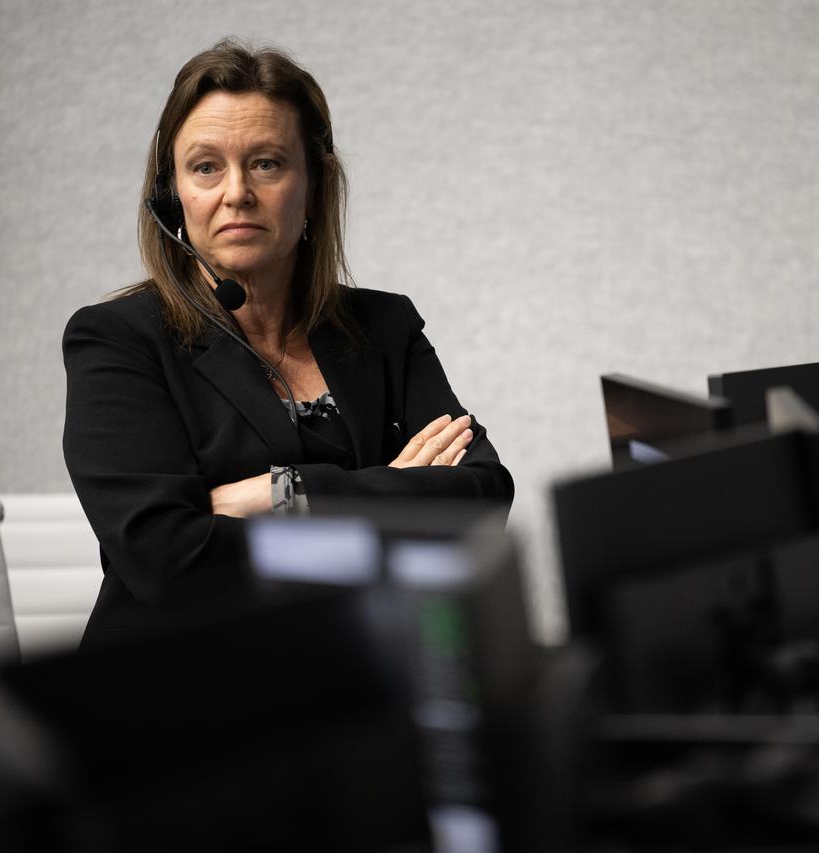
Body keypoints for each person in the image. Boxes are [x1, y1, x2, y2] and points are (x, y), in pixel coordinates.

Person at [63, 39, 512, 649]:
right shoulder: (118, 340)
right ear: (172, 197)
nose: (236, 192)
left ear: (315, 184)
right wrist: (391, 500)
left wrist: (284, 493)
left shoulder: (383, 327)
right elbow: (167, 561)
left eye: (267, 163)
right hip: (176, 694)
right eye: (205, 167)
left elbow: (482, 493)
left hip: (350, 678)